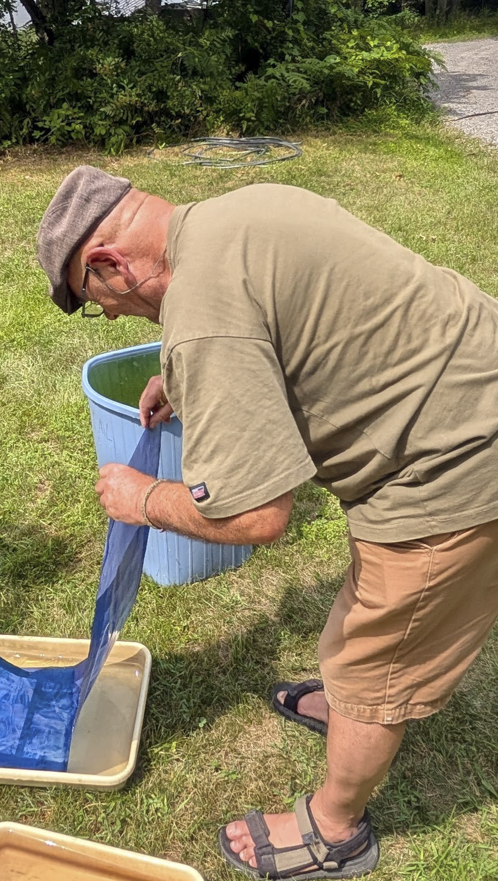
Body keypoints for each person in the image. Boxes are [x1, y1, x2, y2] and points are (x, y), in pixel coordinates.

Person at [36, 166, 498, 880]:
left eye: (96, 301)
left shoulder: (202, 317)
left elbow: (254, 515)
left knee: (374, 654)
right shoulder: (242, 211)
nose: (112, 316)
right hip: (468, 378)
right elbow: (275, 317)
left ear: (107, 264)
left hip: (457, 458)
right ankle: (349, 711)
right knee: (364, 625)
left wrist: (142, 500)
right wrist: (181, 375)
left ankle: (334, 831)